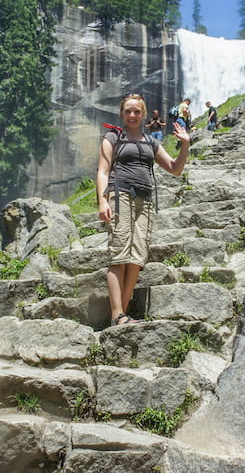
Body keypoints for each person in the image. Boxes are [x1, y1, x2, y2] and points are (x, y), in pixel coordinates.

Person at [96, 94, 190, 326]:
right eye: (128, 111)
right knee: (119, 254)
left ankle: (122, 315)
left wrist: (185, 144)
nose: (132, 115)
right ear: (121, 113)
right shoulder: (113, 137)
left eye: (137, 111)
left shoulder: (151, 141)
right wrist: (102, 200)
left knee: (136, 258)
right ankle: (117, 314)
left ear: (143, 114)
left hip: (145, 200)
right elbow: (103, 171)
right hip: (121, 194)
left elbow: (175, 169)